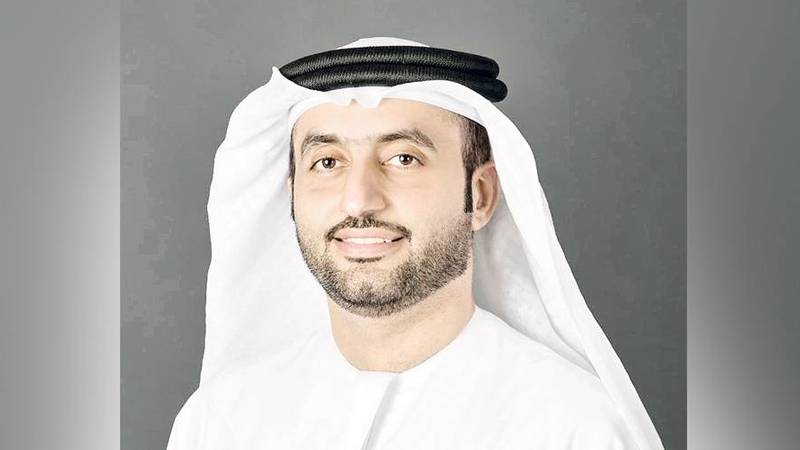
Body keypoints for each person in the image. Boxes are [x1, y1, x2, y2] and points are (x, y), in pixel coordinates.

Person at [166, 37, 664, 449]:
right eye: (327, 162)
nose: (359, 199)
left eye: (404, 158)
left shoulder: (575, 427)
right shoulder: (220, 422)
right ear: (293, 195)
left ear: (480, 196)